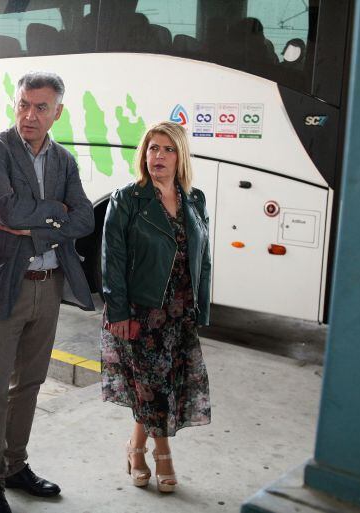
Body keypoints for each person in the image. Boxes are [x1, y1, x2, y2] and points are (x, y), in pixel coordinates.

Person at [0, 71, 95, 513]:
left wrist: (35, 226)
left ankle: (15, 464)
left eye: (41, 107)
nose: (30, 115)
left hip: (49, 285)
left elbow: (85, 219)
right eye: (23, 104)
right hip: (4, 284)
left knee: (30, 384)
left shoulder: (64, 160)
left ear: (58, 112)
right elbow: (4, 208)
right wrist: (54, 218)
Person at [101, 120, 212, 493]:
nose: (158, 156)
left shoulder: (194, 200)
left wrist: (203, 308)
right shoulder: (128, 199)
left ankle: (135, 448)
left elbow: (204, 259)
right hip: (141, 310)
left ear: (180, 156)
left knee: (159, 385)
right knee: (152, 388)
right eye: (152, 148)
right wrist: (118, 311)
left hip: (180, 311)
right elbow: (112, 259)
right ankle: (162, 455)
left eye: (167, 149)